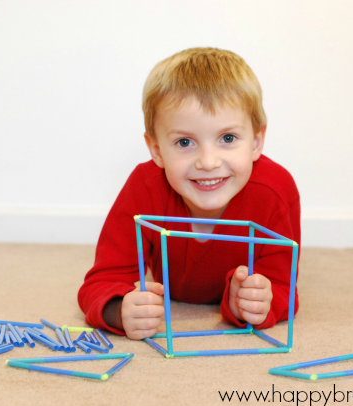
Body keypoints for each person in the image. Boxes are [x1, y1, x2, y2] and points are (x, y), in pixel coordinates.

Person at [78, 47, 301, 339]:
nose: (208, 162)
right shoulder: (144, 187)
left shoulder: (275, 191)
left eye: (228, 138)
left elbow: (283, 288)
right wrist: (119, 310)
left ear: (257, 141)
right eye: (185, 142)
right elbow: (102, 280)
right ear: (157, 150)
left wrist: (254, 303)